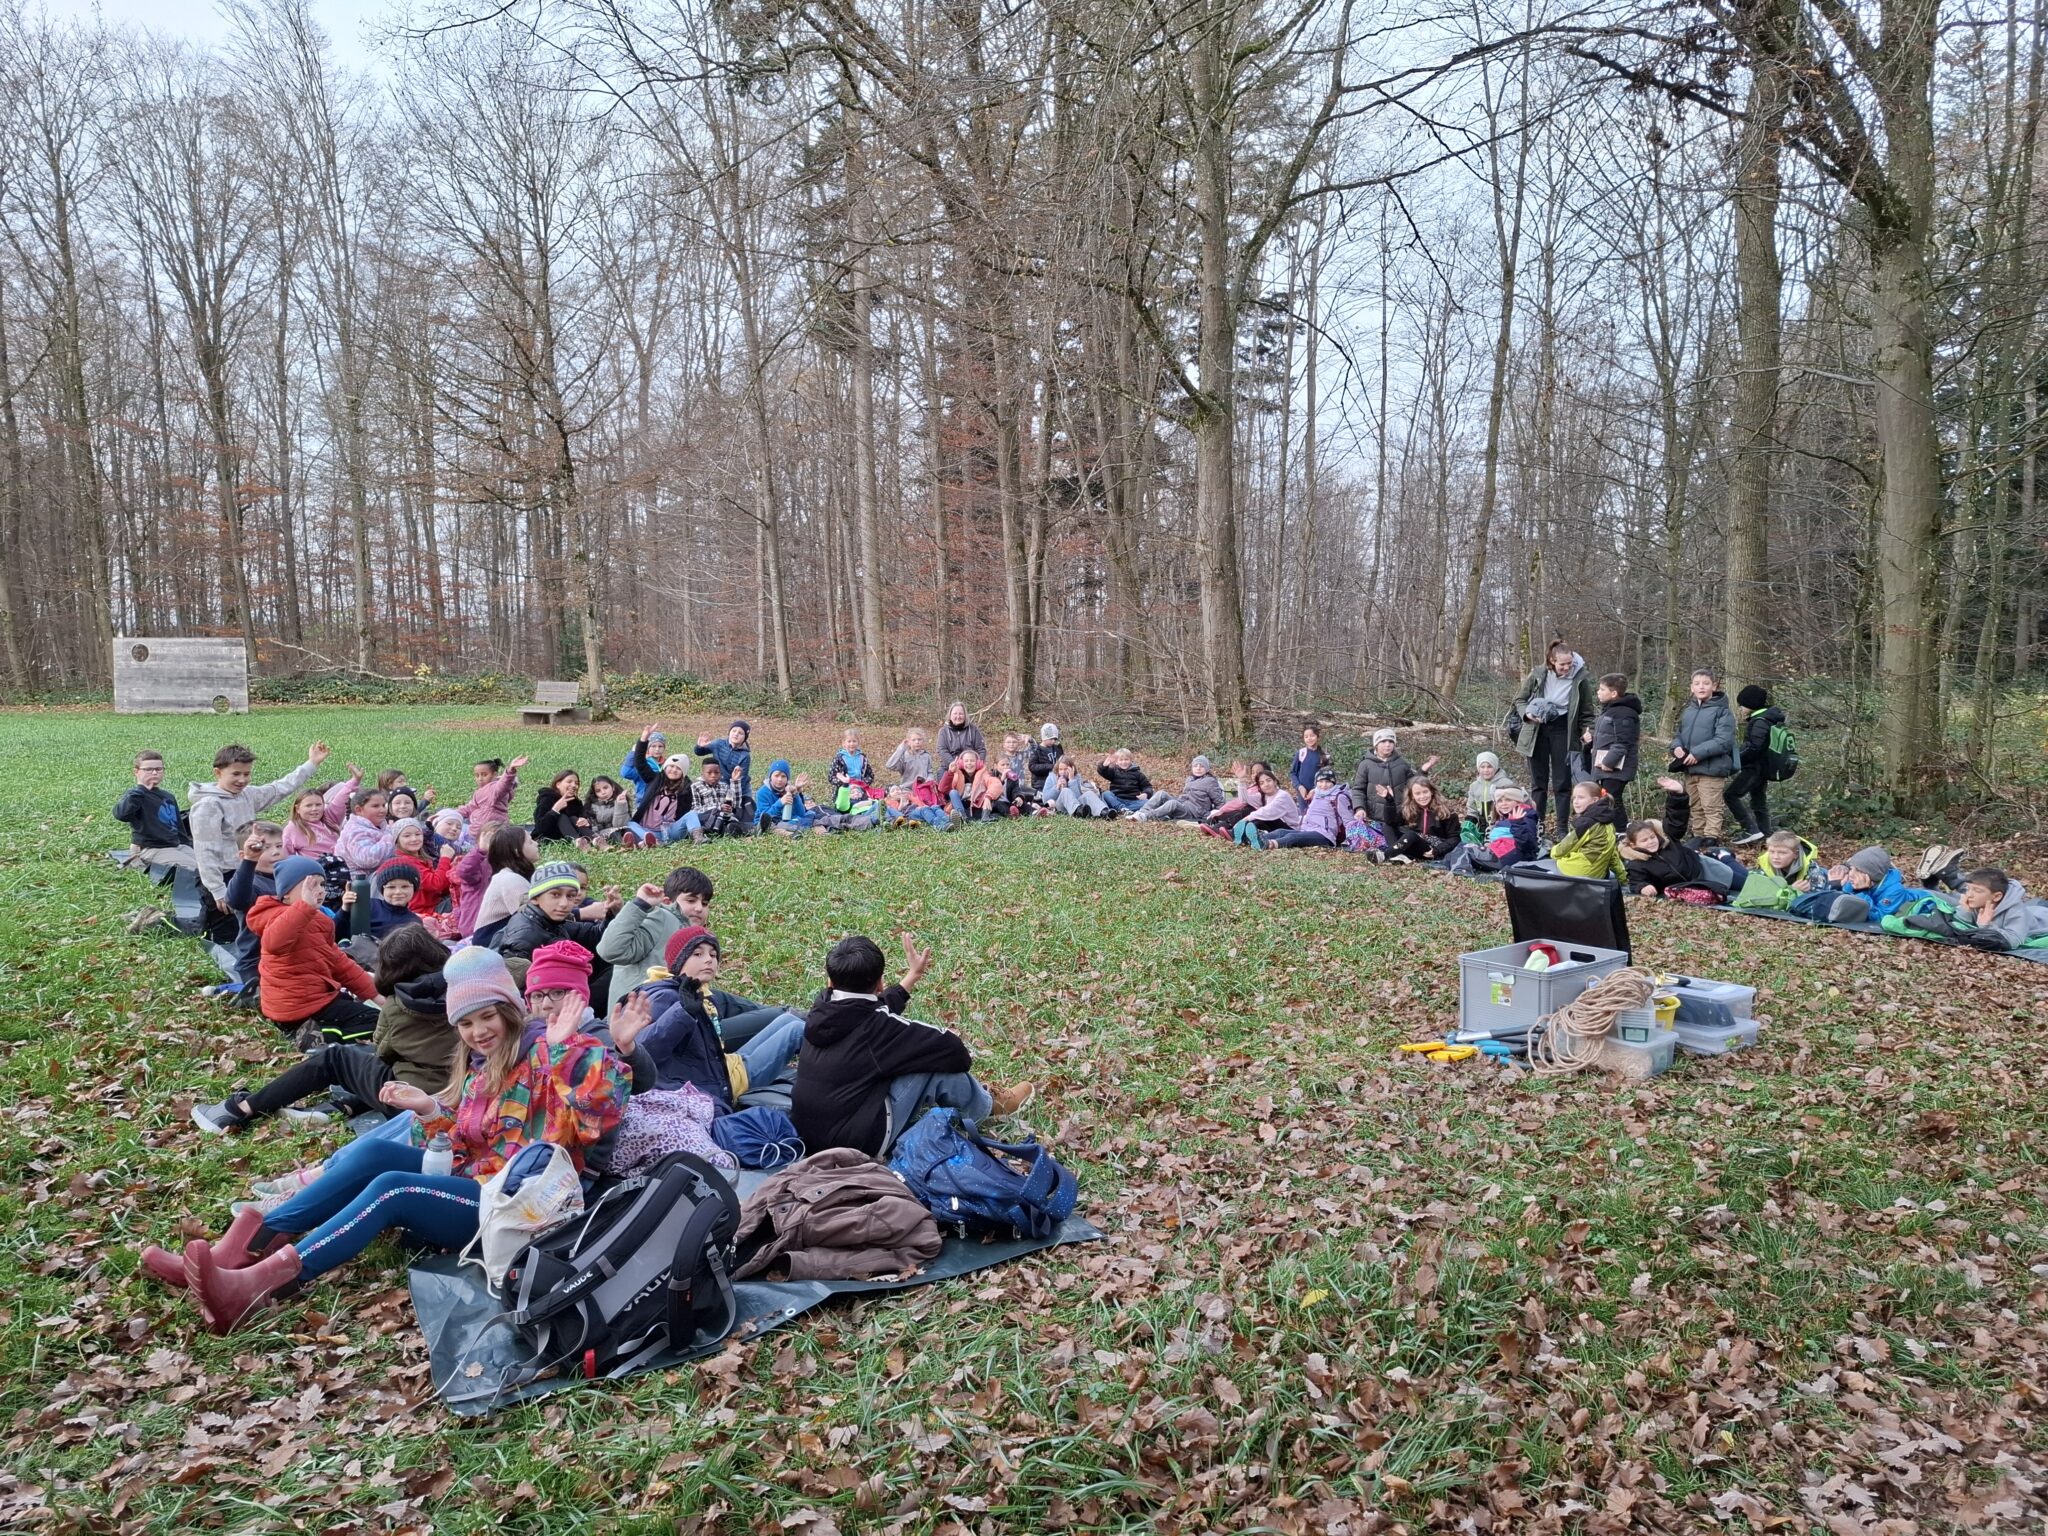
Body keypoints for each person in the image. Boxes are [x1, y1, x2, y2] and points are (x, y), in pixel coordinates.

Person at [146, 946, 626, 1333]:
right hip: (479, 1182)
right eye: (465, 1023)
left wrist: (568, 1049)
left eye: (487, 1017)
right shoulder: (483, 1068)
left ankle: (258, 1285)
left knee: (394, 1187)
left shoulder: (553, 1052)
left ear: (509, 1009)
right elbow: (466, 1143)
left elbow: (596, 1114)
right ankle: (244, 1250)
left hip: (516, 1209)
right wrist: (429, 1110)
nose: (478, 1031)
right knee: (377, 1149)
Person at [188, 925, 458, 1136]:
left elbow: (384, 1052)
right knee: (369, 1061)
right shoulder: (470, 990)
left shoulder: (397, 1006)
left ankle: (238, 1109)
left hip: (415, 1098)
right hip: (465, 1089)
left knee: (339, 1057)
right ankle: (340, 1106)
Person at [791, 933, 1032, 1157]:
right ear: (880, 984)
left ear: (831, 981)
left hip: (809, 1138)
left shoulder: (822, 1009)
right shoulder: (880, 1028)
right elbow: (955, 1052)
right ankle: (989, 1108)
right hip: (859, 1145)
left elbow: (864, 1011)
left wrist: (912, 976)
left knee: (899, 1058)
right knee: (933, 1064)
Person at [612, 927, 807, 1107]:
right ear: (678, 961)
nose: (708, 960)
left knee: (789, 1020)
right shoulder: (666, 996)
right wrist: (682, 1012)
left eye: (713, 955)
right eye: (698, 954)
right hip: (719, 1086)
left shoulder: (697, 992)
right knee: (797, 1030)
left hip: (725, 1066)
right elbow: (645, 1051)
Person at [249, 854, 381, 1046]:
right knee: (376, 1024)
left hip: (313, 998)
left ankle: (316, 1032)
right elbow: (274, 943)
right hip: (297, 1006)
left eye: (321, 885)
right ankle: (319, 1038)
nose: (318, 891)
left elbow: (339, 962)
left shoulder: (317, 920)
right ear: (285, 893)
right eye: (310, 885)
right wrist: (304, 907)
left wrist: (374, 993)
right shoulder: (279, 917)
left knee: (367, 1013)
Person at [190, 741, 330, 918]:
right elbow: (205, 851)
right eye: (236, 774)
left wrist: (312, 763)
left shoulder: (247, 794)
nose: (242, 780)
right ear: (218, 772)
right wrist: (217, 889)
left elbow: (279, 788)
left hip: (246, 870)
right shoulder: (209, 805)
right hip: (221, 876)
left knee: (252, 924)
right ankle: (159, 921)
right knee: (220, 934)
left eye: (247, 774)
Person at [493, 860, 621, 1008]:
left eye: (570, 896)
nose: (564, 903)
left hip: (561, 992)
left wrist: (612, 912)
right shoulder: (525, 937)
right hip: (551, 1008)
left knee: (617, 959)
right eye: (555, 894)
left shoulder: (551, 920)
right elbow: (513, 995)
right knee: (619, 972)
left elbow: (596, 936)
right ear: (535, 898)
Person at [1511, 641, 1598, 838]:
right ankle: (1537, 824)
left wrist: (1588, 730)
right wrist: (1528, 715)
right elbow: (1520, 700)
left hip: (1564, 729)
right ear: (1552, 661)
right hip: (1537, 728)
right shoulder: (1538, 674)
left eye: (1570, 663)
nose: (1567, 668)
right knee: (1538, 782)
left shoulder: (1580, 678)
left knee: (1562, 783)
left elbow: (1587, 711)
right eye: (1562, 665)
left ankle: (1561, 828)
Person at [597, 865, 714, 1010]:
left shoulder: (696, 934)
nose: (699, 908)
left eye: (705, 903)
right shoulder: (661, 918)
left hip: (677, 1012)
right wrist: (640, 904)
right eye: (691, 900)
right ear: (666, 902)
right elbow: (610, 950)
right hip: (640, 1018)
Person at [1618, 778, 1745, 899]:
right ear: (1633, 845)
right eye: (1644, 840)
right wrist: (1643, 887)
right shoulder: (1636, 865)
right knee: (1750, 882)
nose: (1651, 841)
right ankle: (1723, 855)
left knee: (1749, 883)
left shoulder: (1669, 841)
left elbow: (1676, 819)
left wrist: (1677, 794)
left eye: (1652, 837)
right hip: (1694, 885)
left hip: (1705, 869)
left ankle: (1723, 856)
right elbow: (1636, 882)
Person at [1670, 669, 1739, 842]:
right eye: (1697, 683)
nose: (1701, 687)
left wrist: (1698, 753)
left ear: (1714, 686)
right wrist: (1676, 747)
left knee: (1711, 806)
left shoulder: (1723, 712)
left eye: (1706, 683)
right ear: (1691, 687)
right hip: (1690, 768)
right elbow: (1679, 735)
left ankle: (1711, 837)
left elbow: (1723, 740)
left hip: (1712, 768)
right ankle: (1698, 835)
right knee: (1695, 805)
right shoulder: (1688, 711)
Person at [114, 750, 196, 876]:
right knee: (194, 869)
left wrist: (187, 846)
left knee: (210, 865)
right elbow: (121, 815)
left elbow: (178, 827)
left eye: (158, 769)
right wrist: (141, 788)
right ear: (136, 772)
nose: (154, 772)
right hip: (152, 849)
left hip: (177, 846)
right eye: (148, 769)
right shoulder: (134, 796)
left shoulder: (168, 797)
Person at [458, 823, 537, 944]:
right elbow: (464, 871)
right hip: (478, 929)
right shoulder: (499, 874)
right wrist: (480, 851)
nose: (536, 843)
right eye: (491, 840)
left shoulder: (512, 870)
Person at [1350, 729, 1438, 832]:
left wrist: (1423, 770)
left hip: (1399, 815)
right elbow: (1358, 790)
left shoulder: (1402, 764)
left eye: (1391, 741)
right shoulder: (1365, 765)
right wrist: (1360, 808)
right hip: (1374, 816)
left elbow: (1413, 784)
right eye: (1383, 741)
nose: (1387, 745)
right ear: (1376, 744)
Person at [1726, 685, 1783, 844]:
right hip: (1764, 768)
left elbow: (1754, 748)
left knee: (1730, 795)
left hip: (1755, 768)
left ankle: (1750, 829)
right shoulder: (1768, 718)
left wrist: (1736, 762)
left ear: (1750, 704)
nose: (1740, 708)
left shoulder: (1759, 722)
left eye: (1742, 705)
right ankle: (1766, 836)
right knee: (1758, 801)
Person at [624, 734, 701, 847]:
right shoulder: (654, 779)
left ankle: (698, 837)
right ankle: (653, 841)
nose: (673, 770)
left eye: (678, 768)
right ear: (665, 767)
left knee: (692, 814)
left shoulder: (685, 788)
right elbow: (639, 762)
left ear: (683, 773)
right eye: (671, 766)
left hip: (670, 831)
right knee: (630, 824)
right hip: (647, 830)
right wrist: (643, 740)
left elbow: (685, 811)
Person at [281, 765, 361, 859]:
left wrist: (355, 780)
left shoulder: (329, 817)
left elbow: (341, 798)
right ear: (297, 809)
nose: (314, 808)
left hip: (339, 863)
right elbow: (285, 855)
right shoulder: (292, 828)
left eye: (318, 805)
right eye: (308, 805)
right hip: (315, 869)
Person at [1550, 783, 1625, 880]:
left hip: (1577, 872)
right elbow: (1613, 855)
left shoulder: (1586, 823)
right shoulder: (1609, 823)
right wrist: (1622, 877)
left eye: (1581, 798)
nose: (1576, 802)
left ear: (1595, 800)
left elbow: (1564, 848)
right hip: (1598, 875)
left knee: (1547, 864)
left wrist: (1552, 851)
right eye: (1574, 798)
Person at [1587, 674, 1641, 804]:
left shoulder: (1624, 713)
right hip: (1606, 768)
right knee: (1609, 802)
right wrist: (1590, 739)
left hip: (1615, 769)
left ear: (1613, 693)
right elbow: (1608, 736)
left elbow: (1623, 742)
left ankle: (1620, 825)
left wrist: (1608, 762)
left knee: (1611, 803)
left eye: (1602, 689)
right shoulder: (1609, 710)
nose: (1598, 692)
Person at [1267, 767, 1351, 849]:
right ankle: (1257, 839)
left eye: (1328, 782)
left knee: (1292, 837)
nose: (1324, 785)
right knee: (1281, 832)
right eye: (1321, 781)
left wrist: (1353, 839)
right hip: (1307, 830)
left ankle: (1270, 844)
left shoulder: (1339, 797)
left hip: (1325, 835)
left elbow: (1348, 820)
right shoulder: (1316, 794)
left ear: (1333, 783)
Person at [1387, 778, 1463, 863]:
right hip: (1414, 845)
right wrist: (1389, 800)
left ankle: (1385, 855)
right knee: (1387, 826)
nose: (1422, 796)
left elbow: (1455, 838)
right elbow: (1391, 822)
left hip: (1432, 850)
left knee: (1411, 834)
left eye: (1425, 792)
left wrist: (1438, 850)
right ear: (1412, 796)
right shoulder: (1408, 809)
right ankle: (1397, 855)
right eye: (1417, 794)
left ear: (1432, 792)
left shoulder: (1446, 812)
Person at [1133, 756, 1227, 823]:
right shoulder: (1190, 779)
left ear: (1206, 769)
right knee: (1161, 793)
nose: (1198, 768)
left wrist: (1215, 815)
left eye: (1201, 766)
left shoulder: (1210, 782)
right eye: (1195, 766)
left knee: (1172, 803)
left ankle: (1146, 816)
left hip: (1194, 813)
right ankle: (1141, 812)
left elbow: (1220, 802)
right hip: (1183, 805)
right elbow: (1185, 796)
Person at [453, 755, 526, 836]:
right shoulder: (481, 791)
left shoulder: (495, 789)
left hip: (489, 832)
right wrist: (453, 813)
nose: (480, 778)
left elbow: (504, 785)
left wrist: (510, 771)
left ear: (494, 774)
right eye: (477, 775)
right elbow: (471, 807)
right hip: (478, 828)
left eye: (484, 775)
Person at [334, 787, 397, 877]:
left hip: (378, 878)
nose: (382, 810)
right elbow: (367, 860)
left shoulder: (381, 827)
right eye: (376, 806)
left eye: (383, 805)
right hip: (360, 883)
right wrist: (390, 836)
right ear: (359, 810)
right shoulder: (354, 831)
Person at [695, 721, 754, 809]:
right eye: (734, 731)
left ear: (745, 737)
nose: (736, 734)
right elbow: (699, 752)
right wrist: (700, 746)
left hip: (739, 788)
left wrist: (730, 794)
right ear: (729, 732)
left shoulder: (745, 756)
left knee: (740, 813)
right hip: (718, 784)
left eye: (740, 733)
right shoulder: (718, 743)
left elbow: (741, 779)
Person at [1232, 770, 1299, 847]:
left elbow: (1268, 811)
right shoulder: (1265, 796)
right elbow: (1244, 800)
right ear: (1260, 787)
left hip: (1289, 829)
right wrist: (1241, 780)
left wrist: (1245, 820)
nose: (1266, 784)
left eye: (1268, 780)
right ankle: (1238, 834)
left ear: (1275, 782)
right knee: (1249, 810)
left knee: (1260, 818)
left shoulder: (1283, 796)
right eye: (1262, 783)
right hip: (1276, 827)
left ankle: (1242, 835)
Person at [755, 759, 820, 835]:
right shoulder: (762, 792)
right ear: (770, 777)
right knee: (772, 825)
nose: (780, 779)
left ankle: (814, 829)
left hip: (787, 820)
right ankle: (789, 834)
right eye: (776, 775)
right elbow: (765, 817)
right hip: (769, 822)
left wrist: (796, 793)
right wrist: (780, 803)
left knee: (810, 814)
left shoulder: (789, 789)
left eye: (783, 776)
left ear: (787, 778)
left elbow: (800, 813)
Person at [367, 858, 426, 939]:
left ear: (414, 888)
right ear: (383, 890)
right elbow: (344, 930)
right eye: (391, 887)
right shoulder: (369, 906)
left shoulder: (414, 922)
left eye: (404, 886)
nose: (398, 892)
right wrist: (346, 909)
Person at [533, 769, 593, 846]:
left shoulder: (576, 802)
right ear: (558, 784)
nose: (574, 785)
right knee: (562, 817)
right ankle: (579, 843)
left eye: (576, 783)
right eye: (569, 782)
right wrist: (555, 809)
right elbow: (540, 828)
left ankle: (596, 841)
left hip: (567, 838)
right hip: (549, 837)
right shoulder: (547, 799)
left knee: (574, 818)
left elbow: (584, 821)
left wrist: (585, 821)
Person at [692, 760, 746, 838]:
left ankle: (734, 829)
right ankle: (728, 831)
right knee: (716, 822)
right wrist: (718, 807)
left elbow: (736, 804)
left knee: (736, 821)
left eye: (717, 772)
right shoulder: (695, 787)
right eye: (709, 773)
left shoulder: (724, 786)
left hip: (726, 817)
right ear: (702, 773)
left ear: (721, 773)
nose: (713, 775)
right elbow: (695, 810)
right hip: (708, 819)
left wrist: (735, 781)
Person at [1464, 752, 1517, 827]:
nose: (1486, 770)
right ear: (1478, 768)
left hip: (1502, 825)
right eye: (1482, 767)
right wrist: (1470, 821)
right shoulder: (1474, 786)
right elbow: (1472, 808)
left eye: (1489, 767)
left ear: (1495, 767)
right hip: (1482, 826)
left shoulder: (1505, 784)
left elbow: (1515, 804)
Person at [1096, 748, 1153, 816]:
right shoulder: (1114, 771)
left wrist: (1146, 794)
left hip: (1133, 801)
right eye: (1121, 760)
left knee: (1147, 802)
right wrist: (1104, 766)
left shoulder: (1137, 773)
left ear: (1131, 760)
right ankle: (1122, 809)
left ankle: (1124, 810)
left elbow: (1147, 786)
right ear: (1117, 762)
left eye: (1126, 759)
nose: (1124, 762)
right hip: (1117, 799)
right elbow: (1103, 772)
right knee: (1106, 794)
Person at [619, 725, 670, 802]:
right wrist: (633, 752)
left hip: (662, 802)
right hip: (643, 801)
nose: (657, 749)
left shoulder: (667, 764)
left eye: (660, 746)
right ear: (647, 748)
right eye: (653, 746)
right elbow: (626, 773)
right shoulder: (642, 765)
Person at [934, 702, 986, 772]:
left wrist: (978, 764)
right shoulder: (943, 731)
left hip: (970, 767)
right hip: (949, 767)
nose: (958, 716)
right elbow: (942, 750)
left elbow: (981, 749)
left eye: (961, 714)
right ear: (950, 715)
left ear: (965, 715)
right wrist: (954, 764)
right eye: (955, 714)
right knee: (942, 779)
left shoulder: (973, 729)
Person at [1289, 725, 1326, 801]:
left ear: (1318, 737)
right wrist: (1299, 787)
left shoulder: (1324, 756)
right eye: (1306, 737)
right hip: (1302, 793)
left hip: (1319, 793)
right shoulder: (1301, 753)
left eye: (1312, 736)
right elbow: (1292, 773)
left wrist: (1315, 790)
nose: (1309, 738)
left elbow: (1326, 777)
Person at [1026, 724, 1062, 796]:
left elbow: (1062, 760)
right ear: (1044, 738)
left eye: (1055, 739)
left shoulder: (1057, 748)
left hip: (1056, 781)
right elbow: (1033, 767)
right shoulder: (1036, 750)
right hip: (1041, 783)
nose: (1053, 741)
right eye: (1051, 739)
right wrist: (1051, 766)